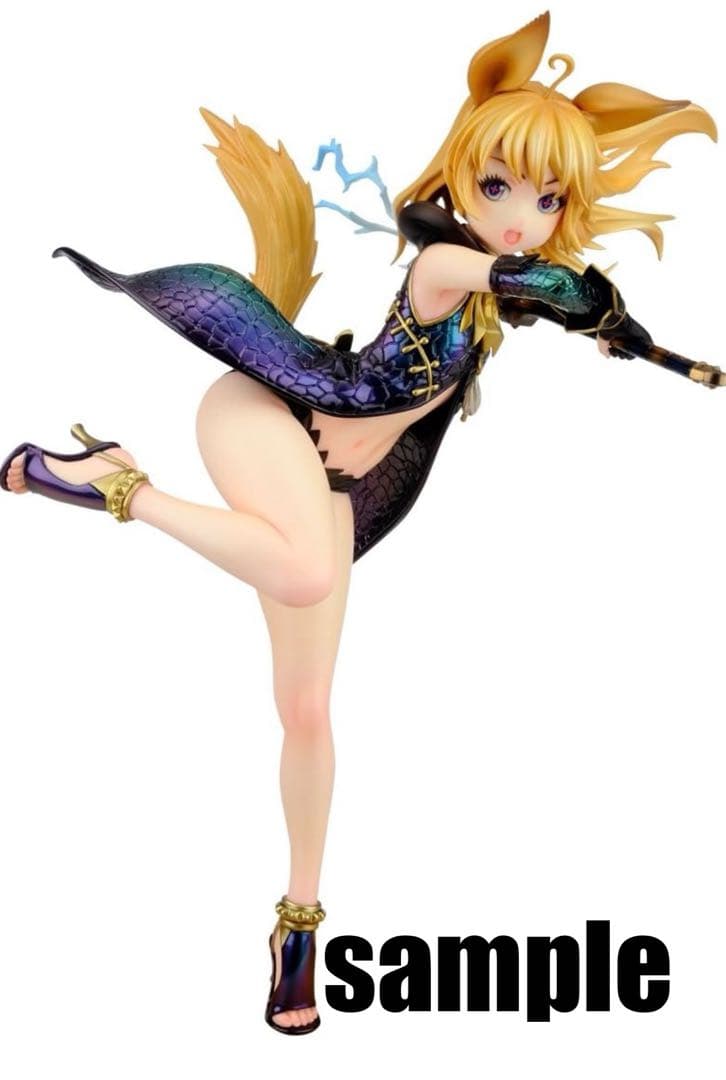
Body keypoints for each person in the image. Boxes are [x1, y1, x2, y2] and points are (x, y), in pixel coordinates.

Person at [0, 11, 717, 1035]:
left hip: (332, 481)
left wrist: (606, 331)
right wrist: (596, 305)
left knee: (306, 710)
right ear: (461, 177)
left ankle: (297, 930)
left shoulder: (488, 306)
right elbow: (533, 278)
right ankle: (116, 484)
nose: (519, 217)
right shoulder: (444, 266)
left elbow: (524, 300)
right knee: (302, 574)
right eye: (498, 187)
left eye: (549, 198)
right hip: (267, 416)